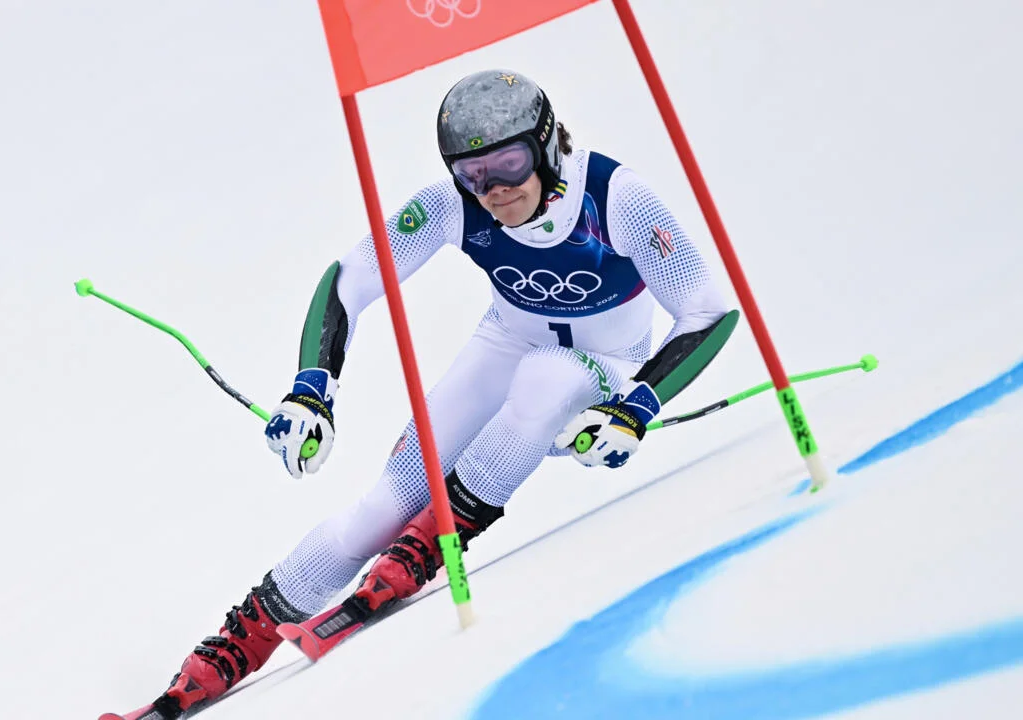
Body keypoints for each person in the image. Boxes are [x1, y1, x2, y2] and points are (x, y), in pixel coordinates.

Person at [102, 68, 731, 720]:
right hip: (507, 342)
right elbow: (349, 280)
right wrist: (313, 388)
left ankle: (425, 545)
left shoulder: (615, 198)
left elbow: (707, 312)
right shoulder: (454, 205)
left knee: (547, 379)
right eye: (473, 174)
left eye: (510, 164)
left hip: (602, 371)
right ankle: (233, 646)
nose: (494, 189)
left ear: (547, 144)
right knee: (385, 503)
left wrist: (636, 407)